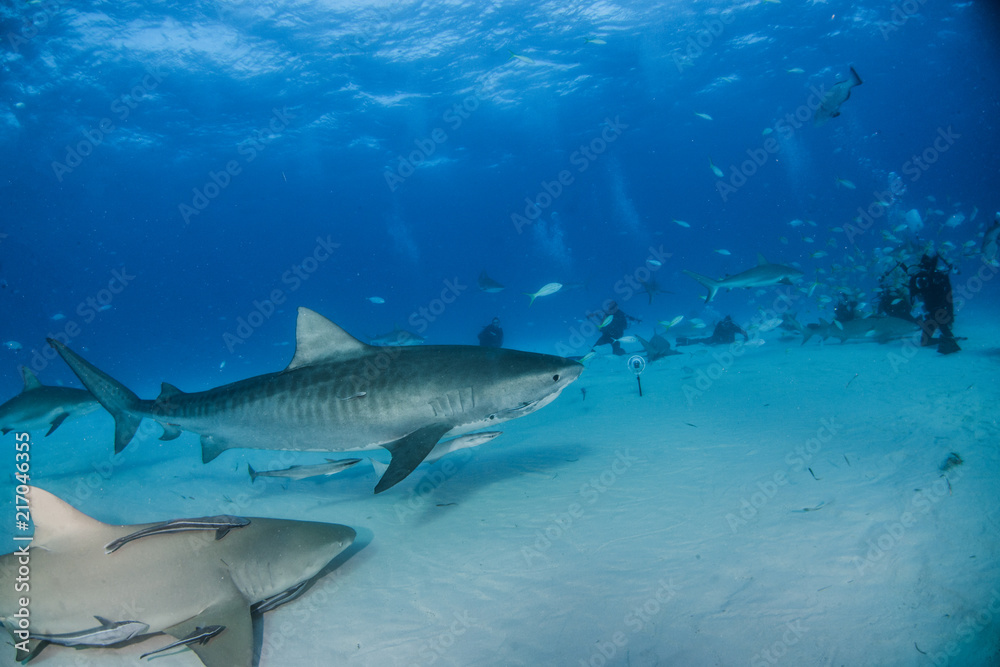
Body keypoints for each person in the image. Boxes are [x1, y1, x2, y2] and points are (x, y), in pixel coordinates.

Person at [908, 253, 960, 354]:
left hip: (939, 311)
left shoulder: (937, 276)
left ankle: (950, 340)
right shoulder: (923, 277)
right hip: (931, 313)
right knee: (924, 341)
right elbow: (914, 292)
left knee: (945, 332)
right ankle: (947, 338)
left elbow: (947, 294)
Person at [676, 315, 748, 346]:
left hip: (717, 340)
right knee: (700, 340)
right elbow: (744, 332)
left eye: (728, 323)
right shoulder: (731, 326)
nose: (726, 324)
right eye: (726, 323)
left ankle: (683, 341)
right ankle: (683, 341)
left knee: (701, 340)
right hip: (717, 340)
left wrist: (746, 338)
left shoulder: (730, 326)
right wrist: (746, 338)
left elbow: (744, 333)